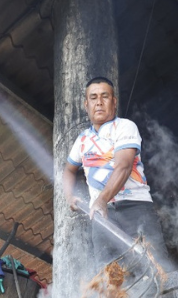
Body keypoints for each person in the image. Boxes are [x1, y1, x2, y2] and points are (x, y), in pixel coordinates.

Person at [61, 76, 169, 267]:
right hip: (103, 219)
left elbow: (124, 166)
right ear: (86, 105)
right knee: (111, 281)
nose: (99, 103)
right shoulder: (82, 140)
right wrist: (70, 197)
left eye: (105, 96)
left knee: (157, 268)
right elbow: (69, 170)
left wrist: (101, 199)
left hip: (136, 208)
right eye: (93, 98)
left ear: (114, 102)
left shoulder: (125, 126)